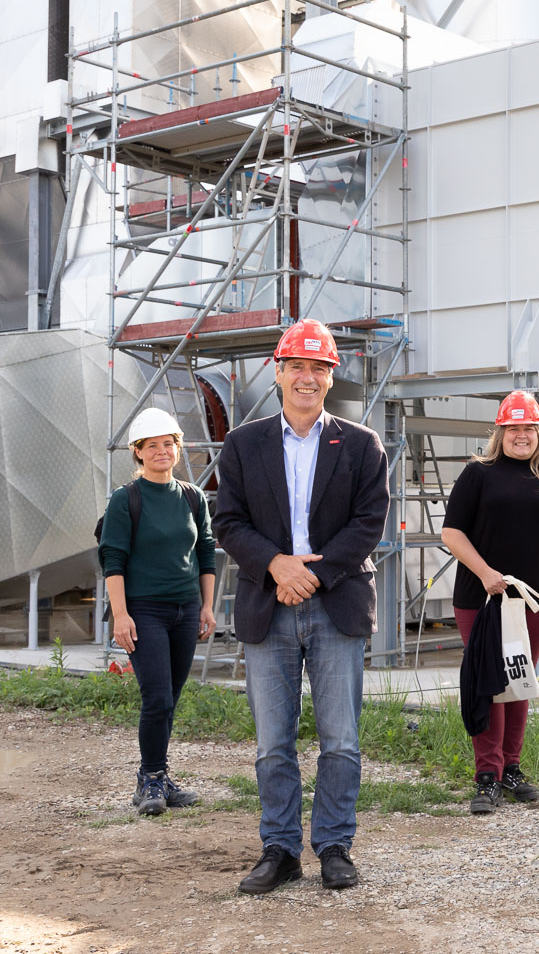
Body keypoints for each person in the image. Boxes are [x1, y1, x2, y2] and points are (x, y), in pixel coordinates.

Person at [215, 319, 390, 895]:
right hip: (269, 603)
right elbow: (228, 522)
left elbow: (369, 523)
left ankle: (334, 846)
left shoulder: (362, 444)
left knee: (340, 737)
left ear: (330, 375)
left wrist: (310, 575)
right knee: (272, 742)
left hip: (335, 602)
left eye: (320, 368)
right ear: (279, 369)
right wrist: (276, 565)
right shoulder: (244, 443)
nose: (309, 377)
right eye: (299, 366)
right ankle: (280, 848)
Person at [441, 390, 539, 814]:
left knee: (519, 682)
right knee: (489, 681)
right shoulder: (477, 474)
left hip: (534, 602)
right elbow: (452, 533)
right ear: (500, 432)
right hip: (482, 599)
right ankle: (487, 775)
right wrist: (485, 573)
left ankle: (512, 768)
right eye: (514, 428)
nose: (522, 435)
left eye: (529, 428)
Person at [99, 407, 217, 816]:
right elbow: (112, 559)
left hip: (185, 610)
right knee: (158, 697)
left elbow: (205, 552)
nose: (162, 451)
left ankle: (158, 777)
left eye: (169, 444)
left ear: (178, 449)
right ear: (138, 452)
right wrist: (121, 615)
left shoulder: (192, 495)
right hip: (143, 610)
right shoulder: (125, 499)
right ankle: (150, 778)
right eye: (153, 446)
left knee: (172, 697)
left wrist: (207, 607)